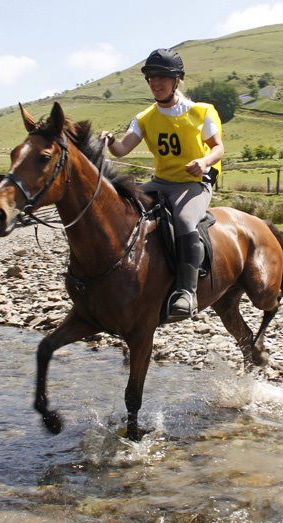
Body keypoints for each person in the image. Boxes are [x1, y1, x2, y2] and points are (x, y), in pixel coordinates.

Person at [101, 48, 223, 320]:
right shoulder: (144, 118)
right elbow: (122, 150)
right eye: (151, 79)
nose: (156, 84)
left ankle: (186, 292)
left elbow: (218, 149)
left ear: (177, 80)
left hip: (192, 184)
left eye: (162, 78)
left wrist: (203, 162)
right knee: (121, 208)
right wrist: (110, 140)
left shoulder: (201, 112)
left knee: (184, 220)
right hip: (160, 182)